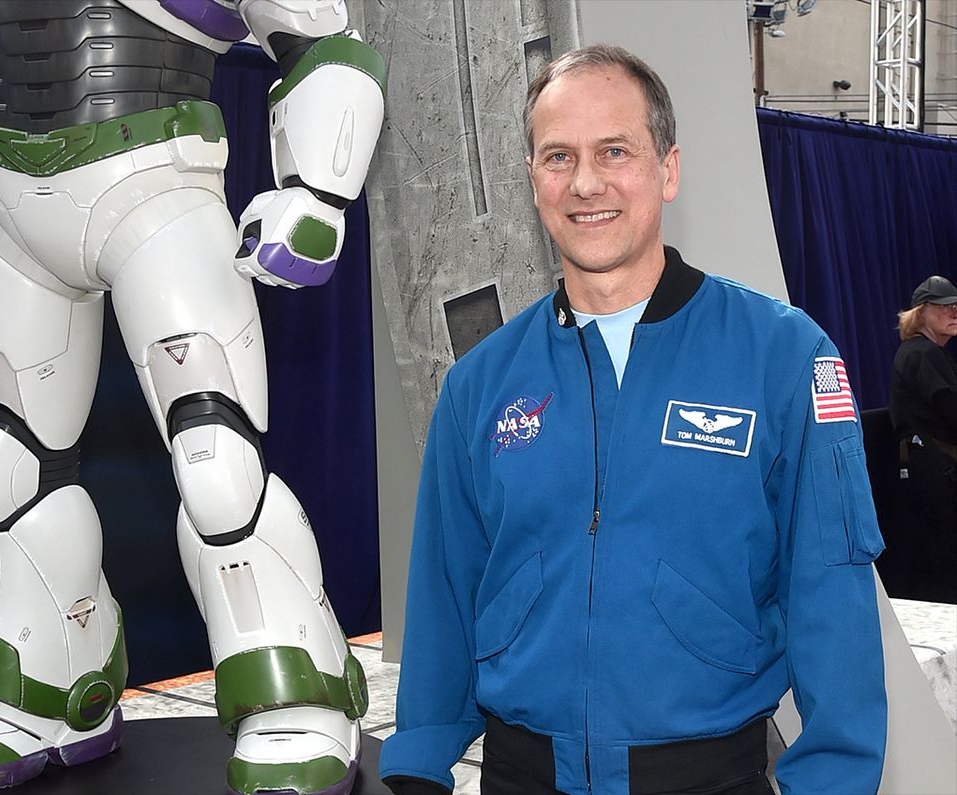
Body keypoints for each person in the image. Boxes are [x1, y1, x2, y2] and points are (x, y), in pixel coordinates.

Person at [0, 1, 384, 793]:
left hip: (159, 192)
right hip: (10, 206)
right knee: (0, 462)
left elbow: (323, 46)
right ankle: (44, 682)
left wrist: (316, 190)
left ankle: (302, 688)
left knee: (216, 461)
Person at [379, 45, 886, 795]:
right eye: (559, 157)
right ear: (532, 180)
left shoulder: (782, 358)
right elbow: (446, 592)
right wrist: (420, 757)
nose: (586, 182)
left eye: (615, 150)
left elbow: (831, 600)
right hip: (522, 778)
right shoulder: (480, 385)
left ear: (667, 168)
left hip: (710, 776)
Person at [889, 275, 957, 603]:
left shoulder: (921, 352)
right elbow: (951, 412)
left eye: (956, 306)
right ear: (922, 312)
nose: (953, 312)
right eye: (944, 306)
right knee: (942, 552)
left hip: (927, 466)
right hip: (935, 469)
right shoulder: (923, 354)